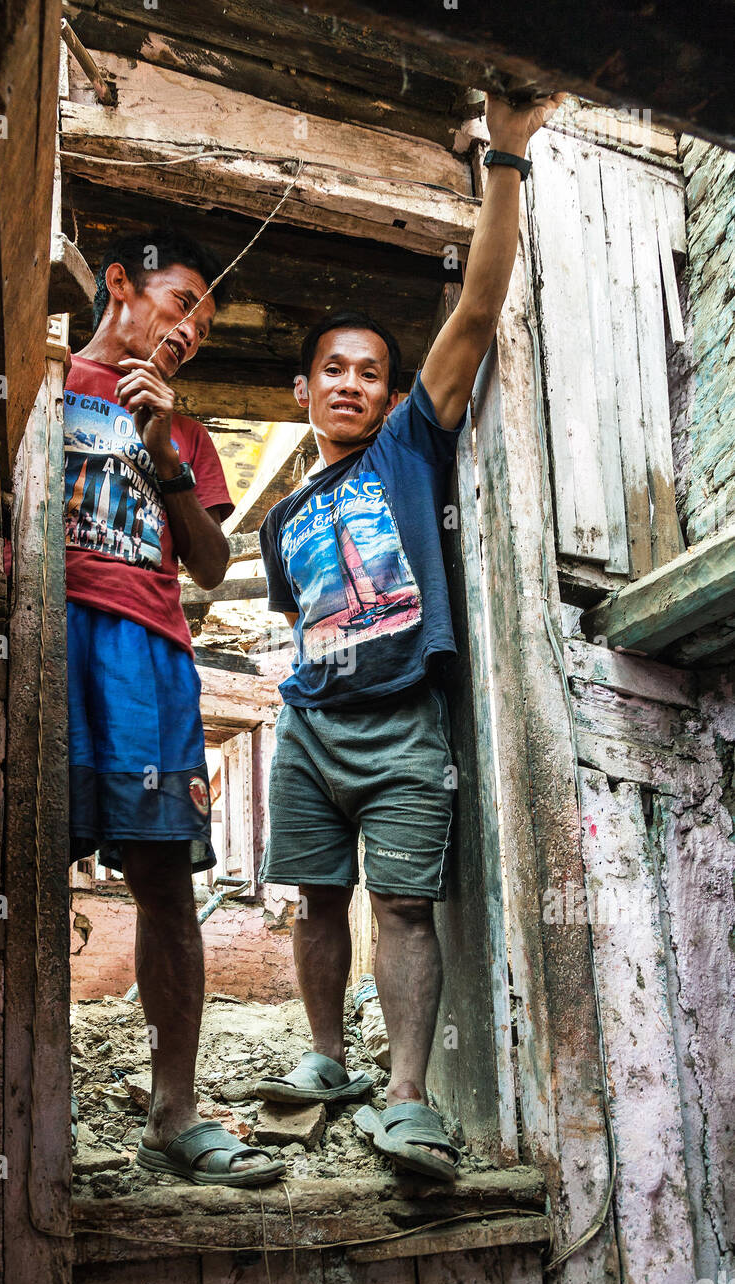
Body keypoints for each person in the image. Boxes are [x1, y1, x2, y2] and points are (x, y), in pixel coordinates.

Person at [256, 93, 565, 1186]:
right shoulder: (281, 516)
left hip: (400, 722)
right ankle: (328, 1060)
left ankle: (405, 1098)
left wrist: (506, 156)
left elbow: (476, 311)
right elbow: (296, 613)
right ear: (301, 391)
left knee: (401, 902)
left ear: (389, 392)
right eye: (330, 370)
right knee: (312, 897)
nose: (349, 384)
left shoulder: (402, 447)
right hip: (308, 724)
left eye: (367, 372)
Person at [64, 227, 286, 1187]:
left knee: (164, 879)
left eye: (206, 317)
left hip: (150, 652)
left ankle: (175, 1111)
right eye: (182, 300)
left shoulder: (187, 433)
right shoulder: (44, 380)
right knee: (21, 858)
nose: (192, 328)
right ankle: (19, 1100)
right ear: (121, 285)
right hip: (49, 629)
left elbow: (206, 566)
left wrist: (162, 455)